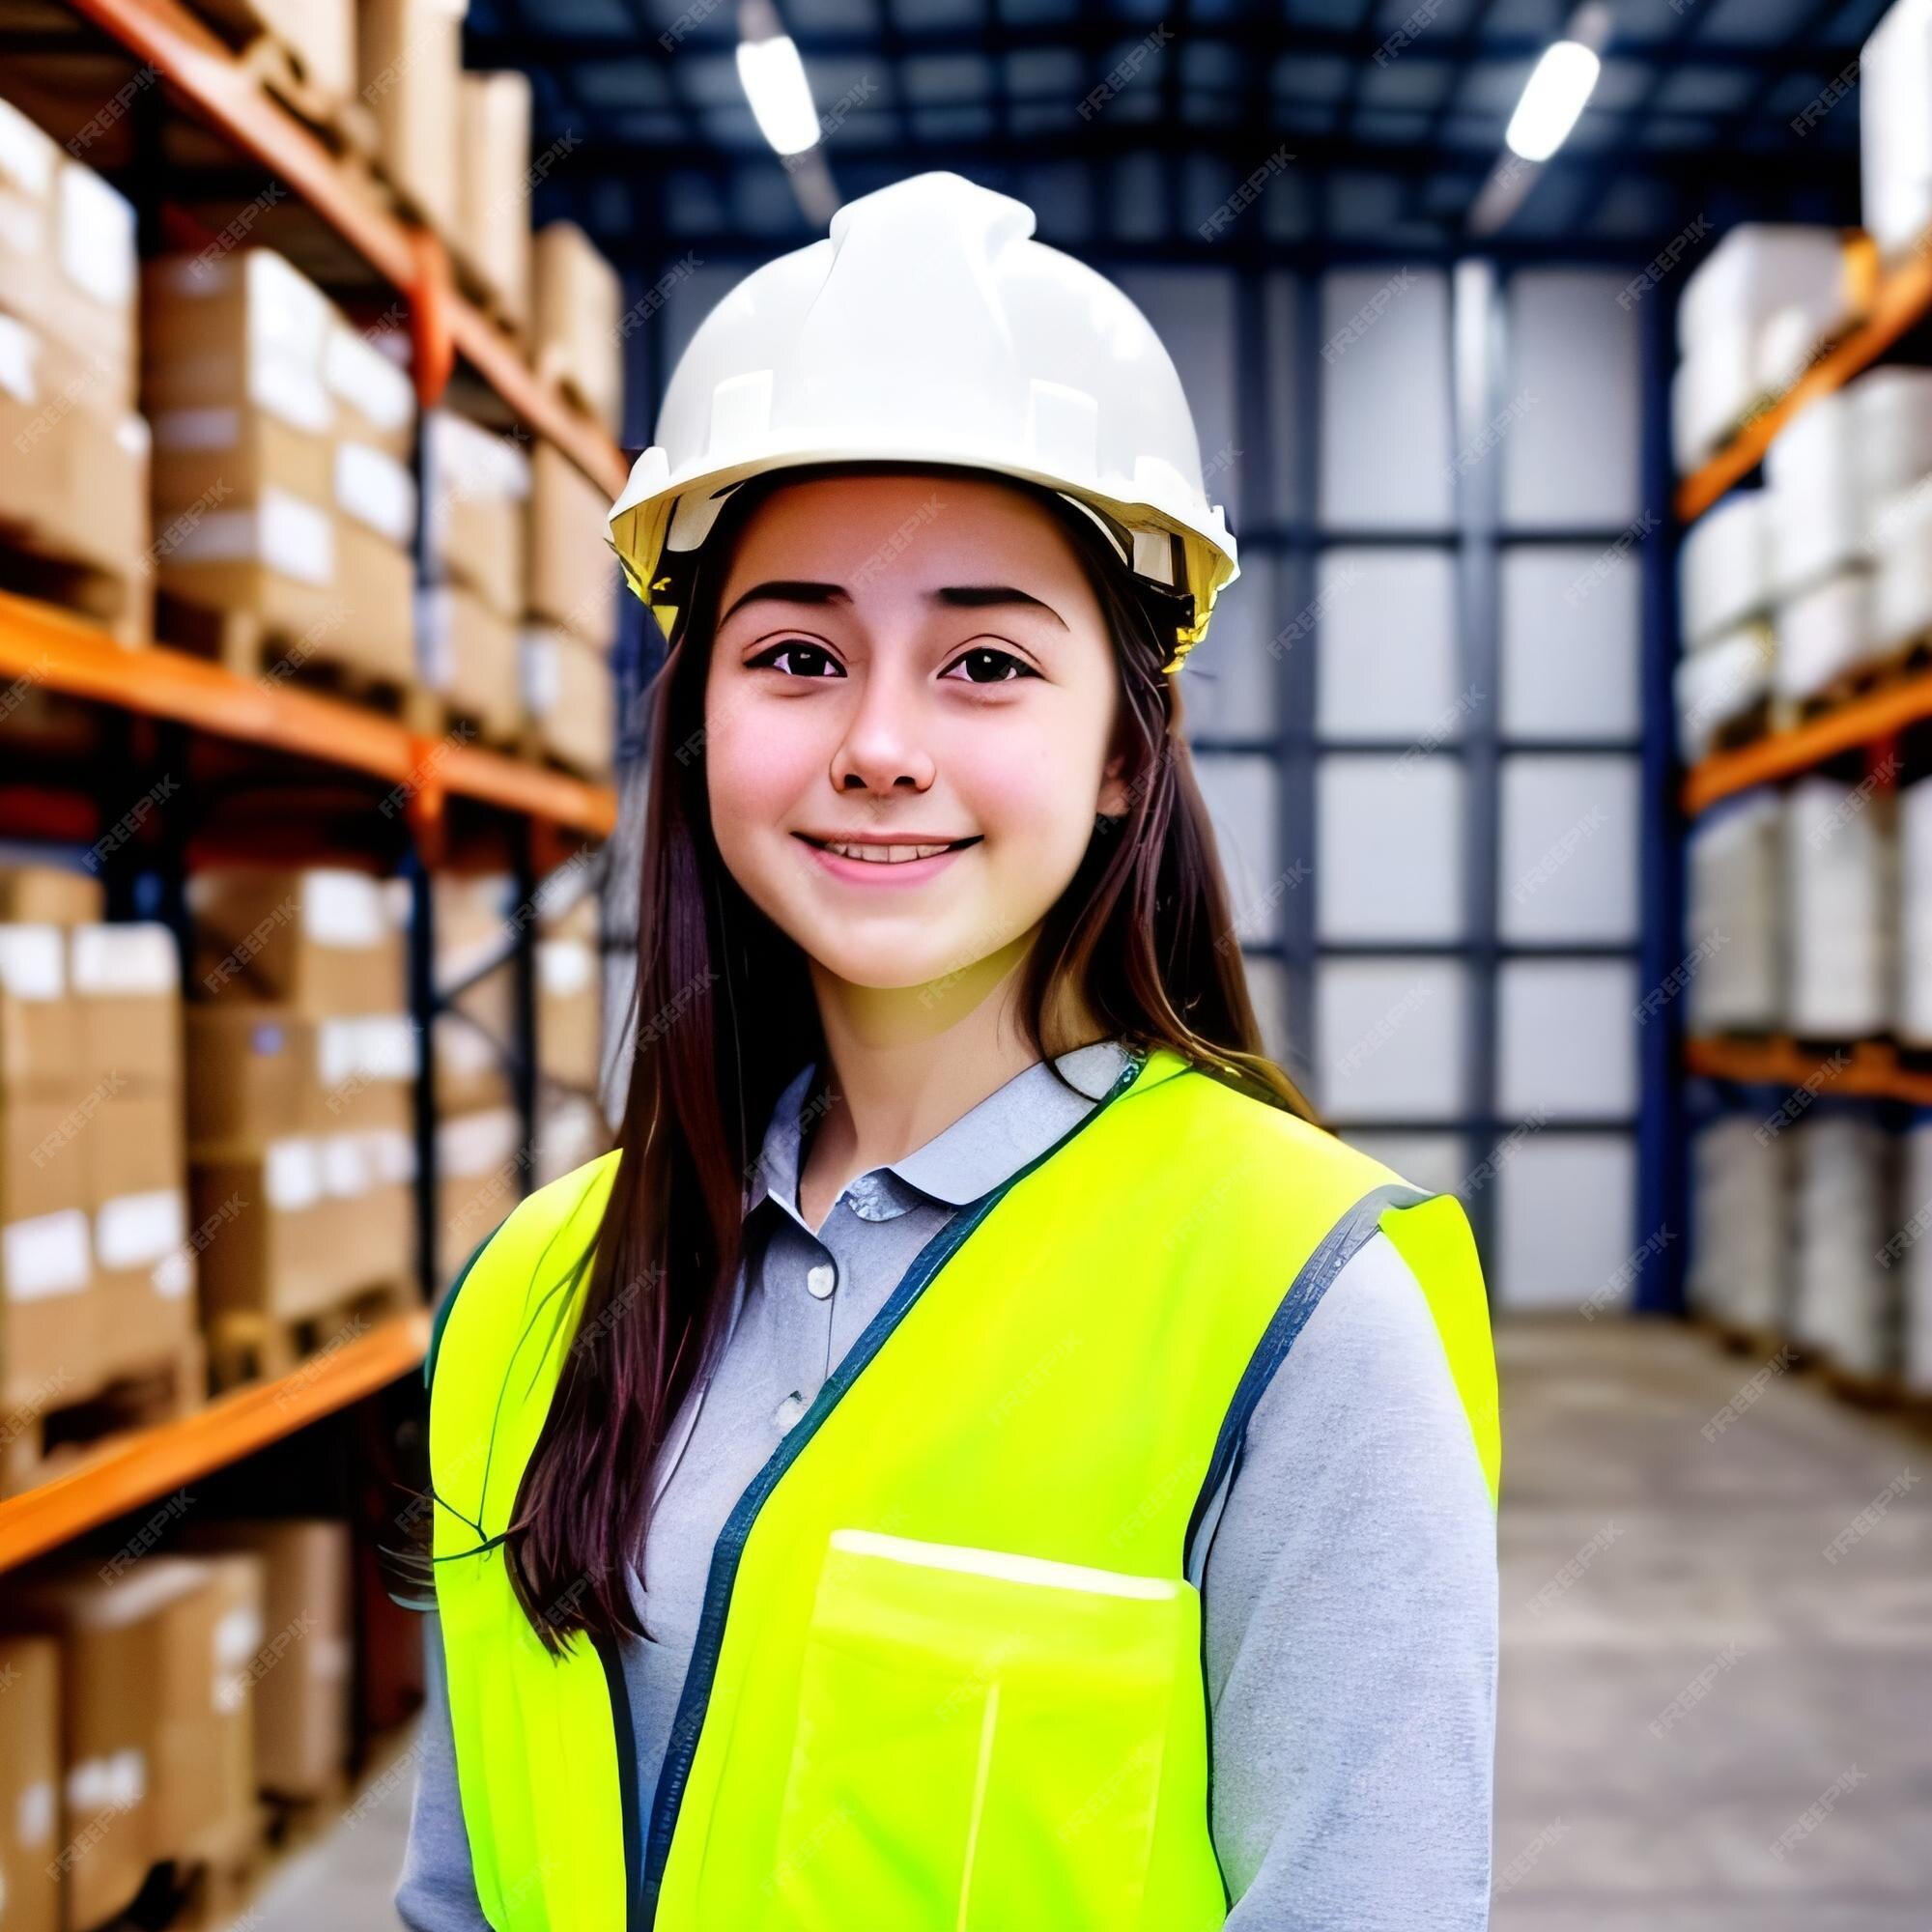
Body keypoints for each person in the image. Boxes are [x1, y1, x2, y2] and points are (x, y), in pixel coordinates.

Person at [397, 170, 1498, 1932]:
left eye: (985, 659)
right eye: (798, 654)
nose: (881, 743)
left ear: (1128, 750)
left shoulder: (1294, 1310)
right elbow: (461, 1895)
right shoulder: (532, 1302)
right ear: (696, 731)